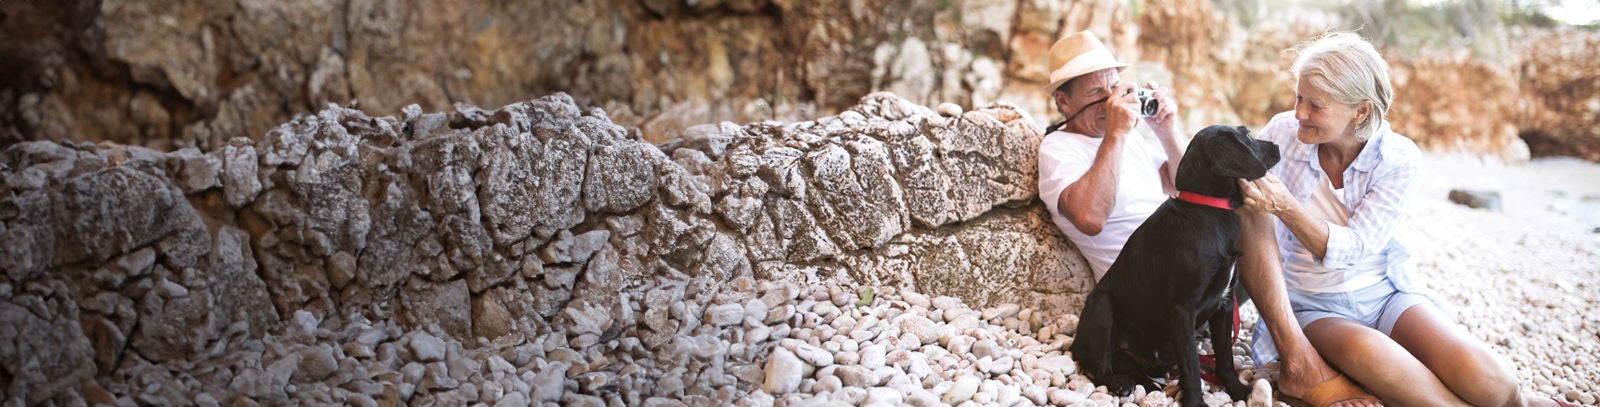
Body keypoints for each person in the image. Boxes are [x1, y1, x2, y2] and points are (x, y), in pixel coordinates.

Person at [1237, 31, 1572, 407]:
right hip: (1313, 305)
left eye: (1315, 105)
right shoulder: (1283, 133)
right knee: (1390, 368)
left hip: (1386, 295)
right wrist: (1168, 135)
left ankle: (1519, 403)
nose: (1300, 112)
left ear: (1360, 111)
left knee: (1490, 380)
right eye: (1299, 97)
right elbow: (1222, 190)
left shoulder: (1399, 159)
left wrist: (1286, 206)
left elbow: (1355, 250)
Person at [1035, 30, 1182, 282]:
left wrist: (1167, 132)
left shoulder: (1128, 137)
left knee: (1247, 200)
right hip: (1143, 283)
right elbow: (1090, 218)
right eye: (1095, 92)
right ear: (1063, 101)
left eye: (1114, 87)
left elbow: (1180, 186)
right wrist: (1116, 133)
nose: (1111, 101)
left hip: (1183, 261)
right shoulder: (1057, 148)